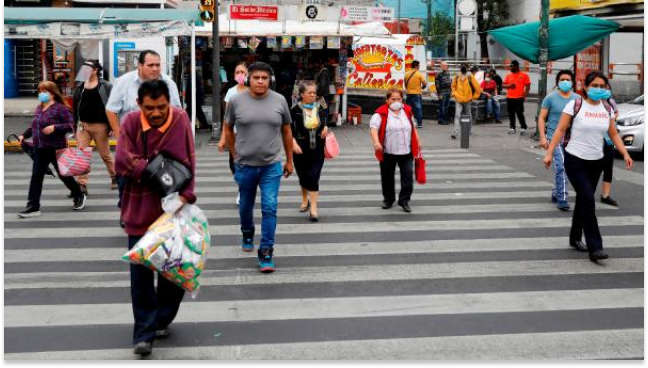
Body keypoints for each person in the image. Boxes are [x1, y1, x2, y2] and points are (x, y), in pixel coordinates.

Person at [115, 80, 196, 356]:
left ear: (169, 102)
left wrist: (187, 192)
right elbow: (122, 161)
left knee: (173, 273)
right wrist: (156, 167)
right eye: (150, 108)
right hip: (139, 208)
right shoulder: (130, 123)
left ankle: (162, 317)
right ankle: (144, 333)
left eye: (162, 107)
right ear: (139, 104)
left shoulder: (181, 119)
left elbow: (188, 159)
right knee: (140, 275)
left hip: (173, 209)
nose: (157, 113)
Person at [543, 71, 633, 263]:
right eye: (595, 86)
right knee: (588, 200)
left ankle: (575, 237)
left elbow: (613, 133)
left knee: (585, 200)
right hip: (575, 159)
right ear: (585, 87)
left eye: (602, 86)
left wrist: (625, 153)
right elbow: (560, 130)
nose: (599, 89)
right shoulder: (575, 105)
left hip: (596, 161)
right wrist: (550, 152)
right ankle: (596, 248)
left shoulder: (606, 108)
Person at [224, 62, 294, 273]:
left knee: (270, 207)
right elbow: (227, 129)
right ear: (248, 79)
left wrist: (289, 160)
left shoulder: (280, 100)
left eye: (265, 78)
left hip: (271, 166)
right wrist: (235, 156)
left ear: (270, 80)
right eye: (257, 78)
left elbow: (287, 131)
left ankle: (266, 251)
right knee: (245, 206)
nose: (261, 81)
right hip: (244, 166)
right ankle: (247, 231)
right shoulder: (235, 101)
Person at [106, 50, 181, 227]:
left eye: (157, 65)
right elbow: (111, 109)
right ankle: (126, 209)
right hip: (131, 143)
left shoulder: (168, 83)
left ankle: (159, 215)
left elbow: (177, 112)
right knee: (126, 179)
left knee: (162, 181)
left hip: (159, 143)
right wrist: (120, 136)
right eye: (151, 65)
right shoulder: (124, 82)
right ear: (139, 66)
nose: (155, 69)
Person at [17, 81, 87, 218]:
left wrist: (55, 128)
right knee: (36, 177)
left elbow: (70, 125)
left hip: (56, 147)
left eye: (44, 91)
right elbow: (35, 126)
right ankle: (33, 206)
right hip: (40, 148)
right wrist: (24, 135)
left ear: (53, 93)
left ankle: (79, 195)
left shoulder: (60, 108)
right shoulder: (39, 107)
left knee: (64, 175)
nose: (41, 94)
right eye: (40, 91)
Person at [370, 88, 422, 213]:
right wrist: (376, 142)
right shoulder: (380, 113)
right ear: (387, 100)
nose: (396, 101)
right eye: (393, 99)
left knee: (408, 177)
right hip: (388, 151)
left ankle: (404, 200)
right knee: (387, 177)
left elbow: (413, 127)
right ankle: (388, 199)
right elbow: (373, 128)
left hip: (406, 151)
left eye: (399, 99)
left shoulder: (407, 111)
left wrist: (418, 141)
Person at [538, 70, 579, 211]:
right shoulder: (550, 98)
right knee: (561, 166)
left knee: (567, 167)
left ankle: (556, 191)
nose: (565, 82)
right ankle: (562, 197)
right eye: (562, 79)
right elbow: (542, 118)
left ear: (573, 82)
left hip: (572, 138)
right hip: (553, 137)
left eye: (568, 79)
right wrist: (543, 137)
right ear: (557, 82)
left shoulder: (578, 99)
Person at [72, 60, 115, 195]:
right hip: (83, 126)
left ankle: (115, 177)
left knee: (105, 155)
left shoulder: (106, 86)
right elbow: (75, 107)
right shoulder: (80, 87)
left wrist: (113, 125)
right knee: (82, 154)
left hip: (100, 125)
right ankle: (82, 183)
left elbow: (113, 106)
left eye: (87, 68)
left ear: (95, 70)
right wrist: (75, 124)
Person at [290, 81, 329, 222]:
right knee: (303, 175)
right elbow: (288, 128)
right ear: (302, 94)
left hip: (318, 147)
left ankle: (313, 208)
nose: (313, 95)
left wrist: (325, 127)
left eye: (314, 93)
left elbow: (325, 116)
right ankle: (304, 199)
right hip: (300, 148)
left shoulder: (321, 106)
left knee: (313, 176)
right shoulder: (295, 109)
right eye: (309, 93)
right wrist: (293, 142)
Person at [218, 62, 249, 205]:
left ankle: (244, 191)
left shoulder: (252, 91)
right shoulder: (231, 92)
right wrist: (222, 139)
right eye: (238, 72)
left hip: (249, 135)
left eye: (243, 72)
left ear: (247, 74)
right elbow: (227, 118)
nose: (240, 75)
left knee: (247, 164)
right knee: (233, 164)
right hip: (234, 135)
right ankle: (242, 188)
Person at [600, 84, 620, 207]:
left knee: (608, 167)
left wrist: (611, 118)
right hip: (595, 141)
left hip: (608, 140)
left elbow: (616, 112)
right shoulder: (592, 103)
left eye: (607, 88)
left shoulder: (610, 102)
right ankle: (587, 193)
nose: (605, 91)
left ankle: (605, 195)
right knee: (592, 169)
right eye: (602, 88)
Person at [450, 63, 482, 140]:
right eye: (462, 67)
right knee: (457, 116)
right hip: (459, 99)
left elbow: (478, 88)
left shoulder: (470, 76)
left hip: (467, 100)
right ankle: (455, 133)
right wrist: (454, 94)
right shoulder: (457, 76)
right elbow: (453, 86)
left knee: (468, 115)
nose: (463, 68)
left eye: (464, 67)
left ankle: (469, 129)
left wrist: (474, 97)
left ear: (467, 68)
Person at [502, 60, 531, 135]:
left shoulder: (524, 75)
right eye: (510, 66)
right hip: (509, 98)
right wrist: (509, 86)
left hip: (519, 98)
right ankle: (512, 128)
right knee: (511, 113)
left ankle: (523, 127)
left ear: (516, 66)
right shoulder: (508, 76)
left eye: (511, 66)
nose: (510, 67)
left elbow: (528, 86)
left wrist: (524, 96)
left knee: (519, 113)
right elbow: (503, 85)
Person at [404, 60, 427, 129]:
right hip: (417, 94)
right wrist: (422, 87)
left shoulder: (407, 74)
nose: (419, 66)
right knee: (418, 109)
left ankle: (407, 122)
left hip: (409, 94)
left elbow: (405, 85)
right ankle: (419, 123)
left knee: (408, 109)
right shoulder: (419, 74)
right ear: (416, 66)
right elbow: (424, 83)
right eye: (419, 65)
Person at [435, 61, 452, 125]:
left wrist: (451, 91)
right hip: (442, 92)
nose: (446, 67)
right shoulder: (439, 74)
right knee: (442, 106)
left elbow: (449, 82)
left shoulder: (448, 73)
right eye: (444, 65)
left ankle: (442, 119)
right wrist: (439, 94)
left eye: (446, 65)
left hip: (448, 91)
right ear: (441, 66)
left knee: (446, 106)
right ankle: (442, 119)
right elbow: (437, 84)